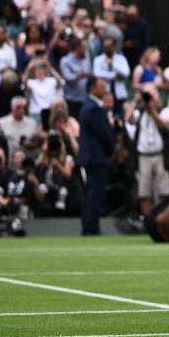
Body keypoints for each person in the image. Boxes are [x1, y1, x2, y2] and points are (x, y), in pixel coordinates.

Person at [77, 76, 114, 235]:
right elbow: (103, 135)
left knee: (91, 192)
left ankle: (89, 225)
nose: (104, 89)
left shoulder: (87, 106)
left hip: (90, 156)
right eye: (101, 86)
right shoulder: (94, 108)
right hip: (95, 156)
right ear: (92, 88)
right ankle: (91, 227)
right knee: (94, 193)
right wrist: (110, 149)